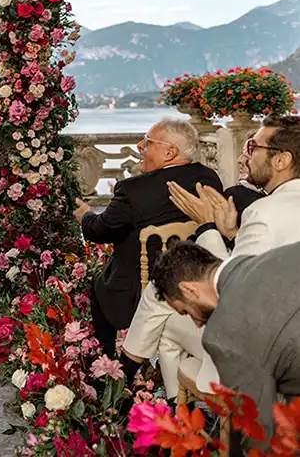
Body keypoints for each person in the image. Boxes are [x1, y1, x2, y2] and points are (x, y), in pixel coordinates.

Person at [125, 114, 300, 397]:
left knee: (165, 314)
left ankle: (142, 388)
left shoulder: (265, 211)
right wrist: (231, 233)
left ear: (281, 160)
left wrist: (207, 226)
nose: (247, 155)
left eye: (253, 146)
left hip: (267, 355)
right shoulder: (275, 207)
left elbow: (233, 291)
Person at [73, 118, 222, 367]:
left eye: (148, 142)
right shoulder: (209, 179)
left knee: (98, 283)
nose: (140, 147)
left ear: (170, 152)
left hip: (136, 292)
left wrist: (86, 215)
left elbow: (99, 231)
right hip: (198, 287)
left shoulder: (133, 190)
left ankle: (106, 365)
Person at [149, 240, 300, 454]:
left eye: (186, 312)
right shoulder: (278, 256)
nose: (197, 323)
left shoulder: (221, 334)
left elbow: (257, 430)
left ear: (189, 290)